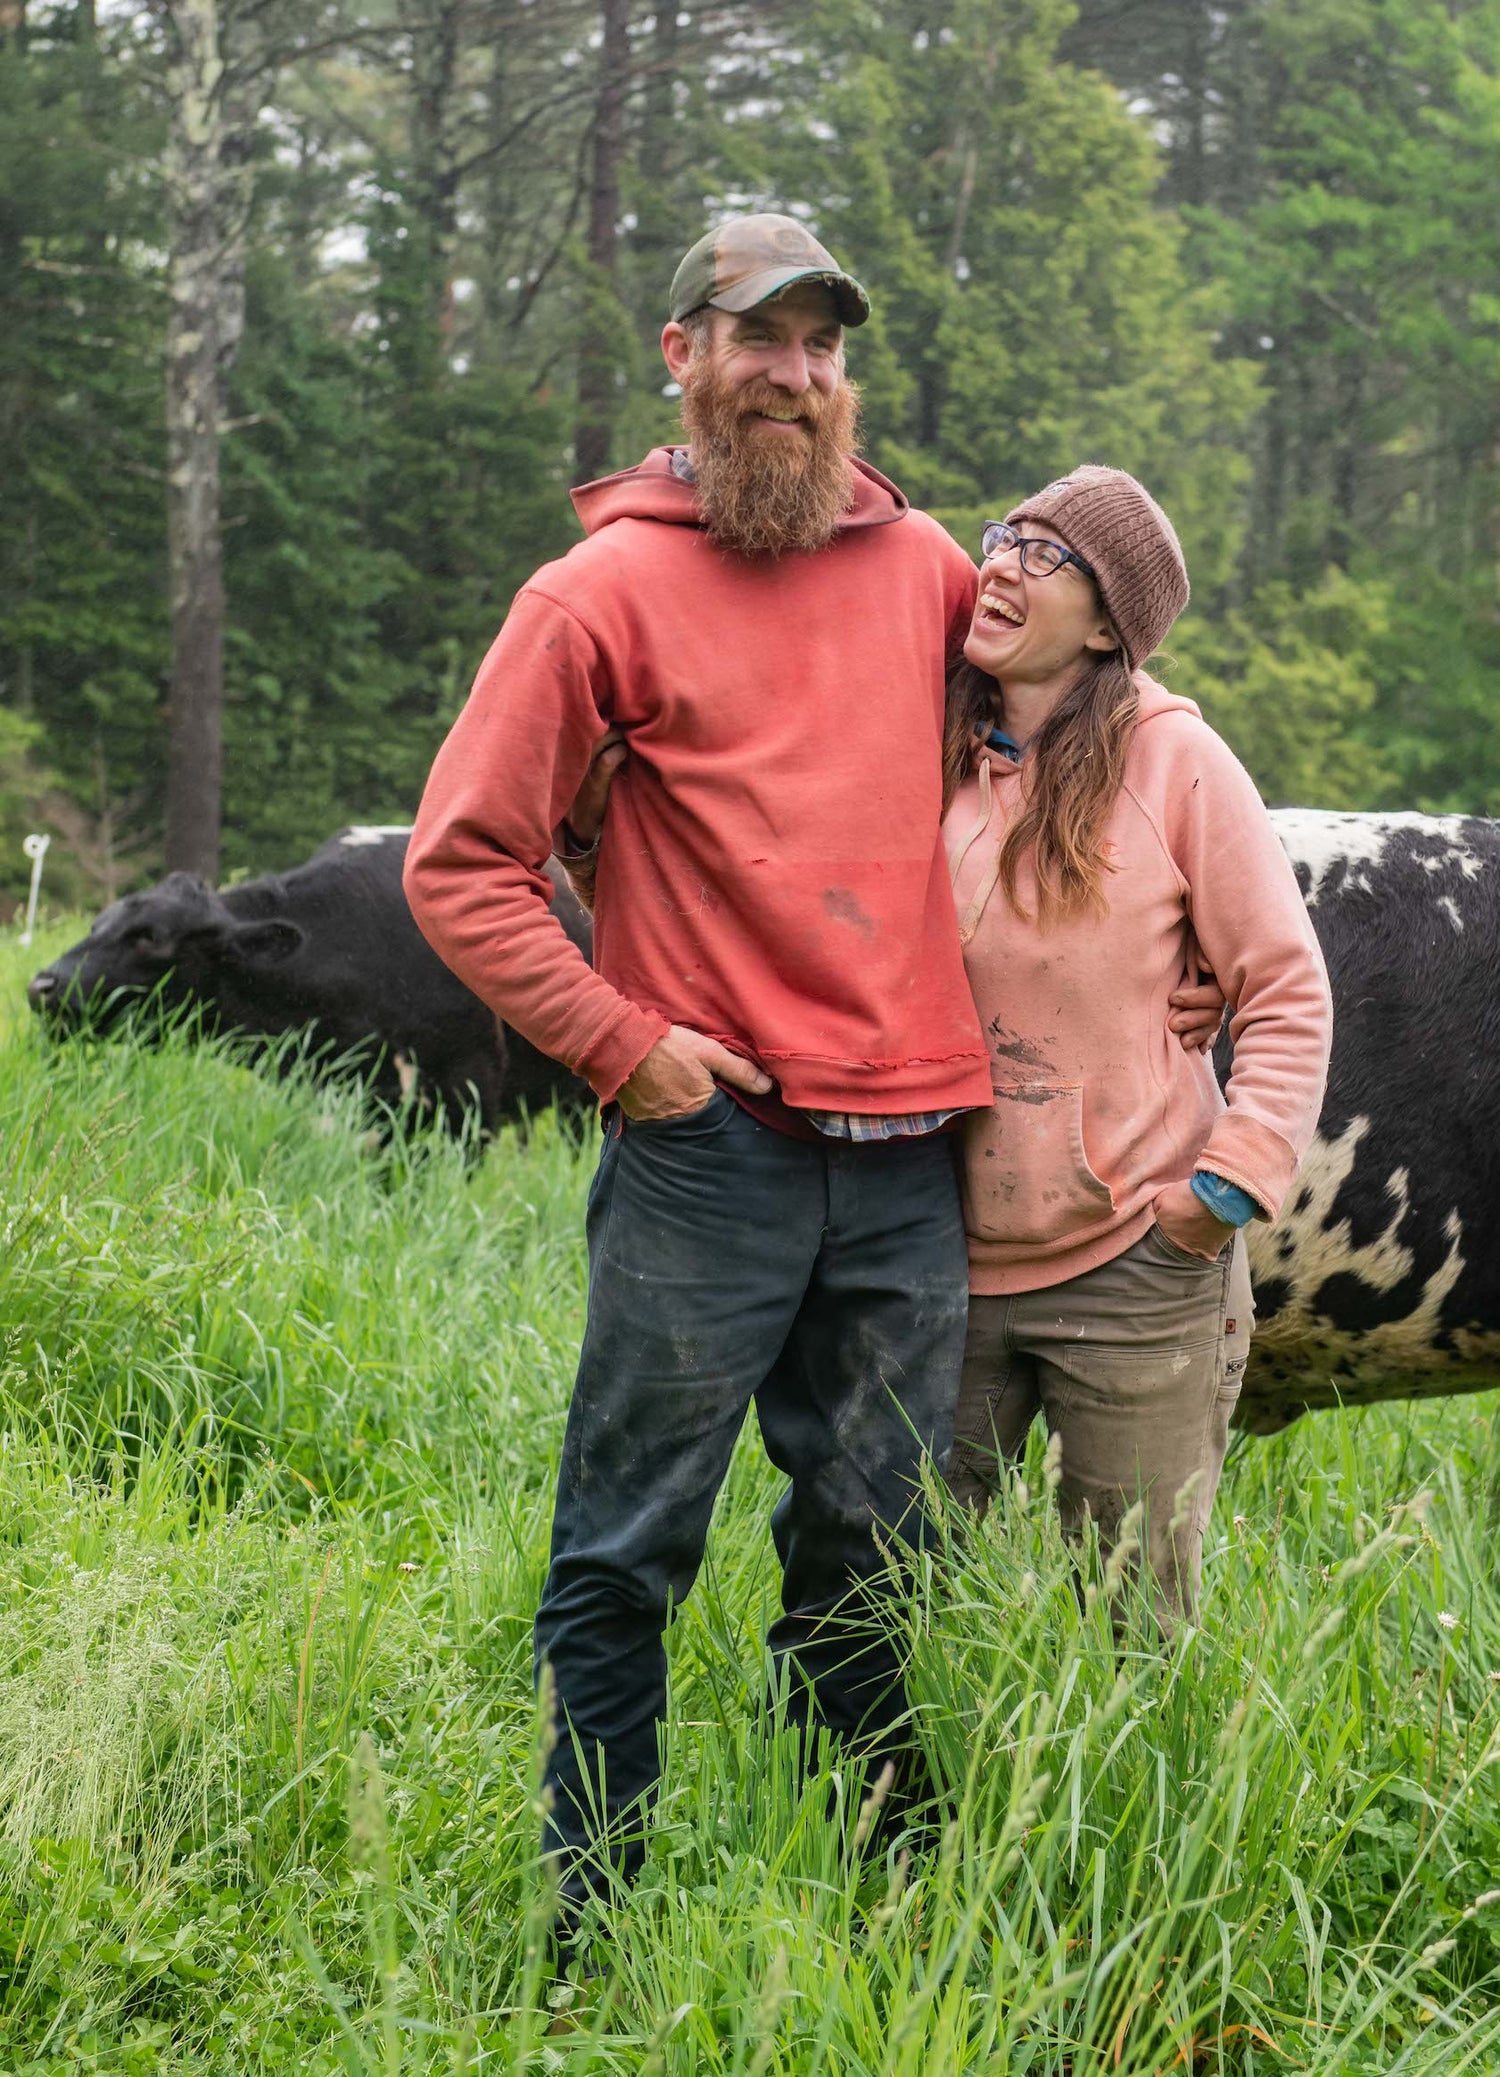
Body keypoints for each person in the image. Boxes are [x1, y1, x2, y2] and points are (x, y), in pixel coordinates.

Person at [403, 218, 1223, 1937]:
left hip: (914, 1158)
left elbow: (1084, 706)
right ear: (678, 357)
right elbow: (462, 863)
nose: (789, 374)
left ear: (848, 380)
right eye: (753, 338)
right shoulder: (593, 597)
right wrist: (628, 1048)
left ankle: (873, 1896)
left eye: (820, 347)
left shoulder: (922, 566)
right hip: (716, 1153)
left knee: (878, 1555)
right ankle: (592, 1921)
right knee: (627, 1547)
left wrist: (1207, 938)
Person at [940, 468, 1333, 1622]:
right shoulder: (928, 750)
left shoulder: (1178, 763)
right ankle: (906, 1810)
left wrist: (1218, 1194)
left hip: (1134, 1265)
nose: (1004, 562)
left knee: (1130, 1619)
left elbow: (1287, 987)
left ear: (1112, 625)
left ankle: (1120, 1807)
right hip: (932, 1261)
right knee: (913, 1601)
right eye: (1005, 536)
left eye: (1048, 557)